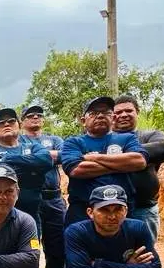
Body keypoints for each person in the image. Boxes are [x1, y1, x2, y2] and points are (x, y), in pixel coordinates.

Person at [111, 94, 164, 268]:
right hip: (110, 211)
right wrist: (135, 158)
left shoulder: (150, 135)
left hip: (144, 209)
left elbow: (162, 149)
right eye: (118, 112)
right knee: (111, 255)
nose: (123, 115)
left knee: (145, 255)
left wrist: (113, 155)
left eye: (129, 111)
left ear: (137, 112)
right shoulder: (105, 140)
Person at [60, 96, 147, 227]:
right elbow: (76, 170)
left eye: (106, 112)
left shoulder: (128, 138)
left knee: (126, 247)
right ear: (84, 121)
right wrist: (122, 165)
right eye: (94, 113)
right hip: (82, 211)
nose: (100, 116)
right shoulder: (73, 142)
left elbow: (139, 162)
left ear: (113, 118)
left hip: (122, 210)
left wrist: (93, 158)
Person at [20, 104, 67, 268]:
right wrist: (46, 157)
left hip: (54, 198)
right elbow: (22, 161)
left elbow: (65, 156)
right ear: (22, 121)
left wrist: (36, 158)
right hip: (29, 199)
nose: (35, 118)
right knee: (30, 246)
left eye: (39, 115)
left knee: (57, 247)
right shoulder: (19, 141)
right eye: (30, 116)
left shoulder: (54, 139)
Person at [0, 107, 53, 230]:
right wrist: (32, 169)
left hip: (31, 215)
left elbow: (46, 161)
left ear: (19, 125)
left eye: (11, 121)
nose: (6, 124)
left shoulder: (32, 146)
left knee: (31, 249)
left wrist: (6, 160)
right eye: (0, 123)